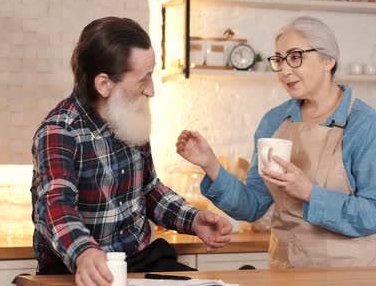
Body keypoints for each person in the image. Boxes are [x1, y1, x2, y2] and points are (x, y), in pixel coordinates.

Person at [176, 16, 376, 269]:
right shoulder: (274, 121)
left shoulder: (363, 123)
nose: (285, 70)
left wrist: (309, 193)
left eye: (295, 57)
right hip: (286, 270)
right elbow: (253, 206)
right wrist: (211, 165)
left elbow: (375, 213)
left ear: (328, 60)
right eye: (279, 60)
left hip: (349, 274)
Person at [31, 17, 232, 285]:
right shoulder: (60, 131)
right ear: (104, 84)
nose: (151, 90)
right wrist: (84, 252)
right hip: (81, 266)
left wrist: (193, 219)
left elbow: (148, 191)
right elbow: (55, 204)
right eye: (143, 79)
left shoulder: (129, 116)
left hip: (138, 261)